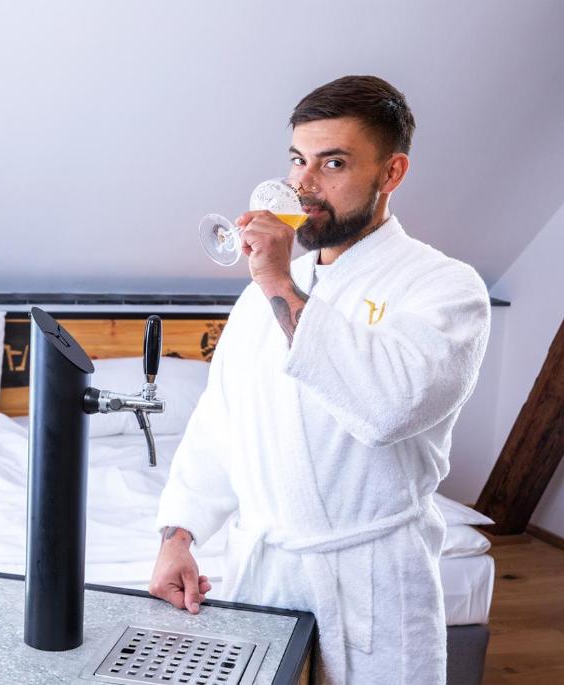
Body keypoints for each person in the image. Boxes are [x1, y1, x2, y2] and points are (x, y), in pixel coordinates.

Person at [149, 75, 490, 685]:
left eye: (333, 162)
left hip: (372, 584)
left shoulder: (446, 287)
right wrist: (179, 533)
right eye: (297, 161)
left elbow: (391, 407)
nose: (304, 184)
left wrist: (281, 283)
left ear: (392, 173)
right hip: (266, 576)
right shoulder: (258, 299)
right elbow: (221, 424)